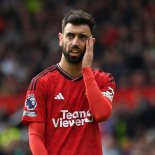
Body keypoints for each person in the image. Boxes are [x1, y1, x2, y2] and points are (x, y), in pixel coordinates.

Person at [21, 9, 116, 155]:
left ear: (92, 42)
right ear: (61, 39)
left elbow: (101, 114)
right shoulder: (41, 83)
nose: (75, 42)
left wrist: (86, 70)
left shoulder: (104, 79)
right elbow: (35, 136)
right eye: (70, 35)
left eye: (82, 37)